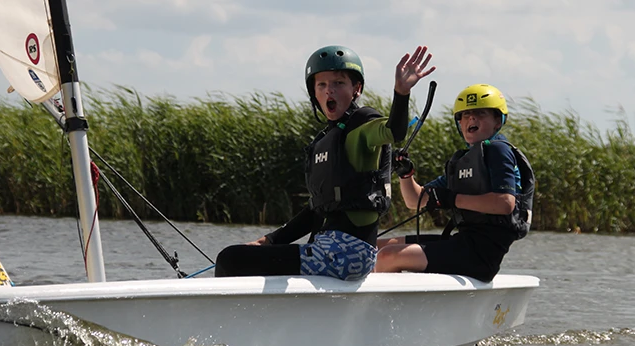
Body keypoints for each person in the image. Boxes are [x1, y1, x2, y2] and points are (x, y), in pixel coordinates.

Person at [214, 45, 436, 280]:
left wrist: (401, 93)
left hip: (349, 255)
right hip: (324, 250)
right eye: (322, 85)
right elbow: (316, 210)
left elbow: (394, 131)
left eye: (339, 83)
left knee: (231, 260)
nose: (329, 90)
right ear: (315, 93)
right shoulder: (325, 141)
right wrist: (269, 240)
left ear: (356, 89)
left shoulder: (362, 124)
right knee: (247, 255)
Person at [375, 84, 534, 282]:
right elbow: (415, 200)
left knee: (388, 256)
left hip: (482, 254)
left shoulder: (498, 150)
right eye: (465, 115)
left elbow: (505, 203)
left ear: (497, 121)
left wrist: (452, 199)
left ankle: (384, 312)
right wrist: (406, 174)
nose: (471, 119)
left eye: (480, 113)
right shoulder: (463, 162)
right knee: (374, 247)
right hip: (462, 242)